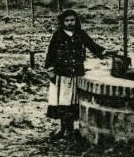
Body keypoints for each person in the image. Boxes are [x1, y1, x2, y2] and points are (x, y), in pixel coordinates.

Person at [44, 9, 107, 140]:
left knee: (73, 101)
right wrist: (50, 69)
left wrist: (103, 52)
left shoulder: (80, 34)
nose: (70, 23)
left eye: (72, 20)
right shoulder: (58, 35)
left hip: (76, 71)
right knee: (62, 101)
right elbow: (51, 53)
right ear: (62, 22)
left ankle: (71, 130)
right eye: (67, 20)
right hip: (62, 73)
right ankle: (63, 129)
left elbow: (91, 45)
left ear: (76, 21)